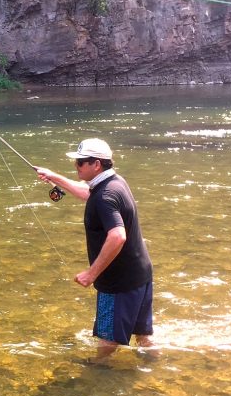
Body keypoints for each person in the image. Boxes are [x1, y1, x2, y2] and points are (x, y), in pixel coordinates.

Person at [36, 138, 154, 360]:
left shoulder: (105, 196)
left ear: (96, 164)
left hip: (118, 283)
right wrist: (54, 177)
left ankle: (97, 373)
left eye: (80, 162)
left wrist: (91, 274)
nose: (76, 166)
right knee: (144, 337)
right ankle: (155, 371)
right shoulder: (115, 183)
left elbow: (117, 235)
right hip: (141, 274)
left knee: (108, 338)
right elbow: (87, 193)